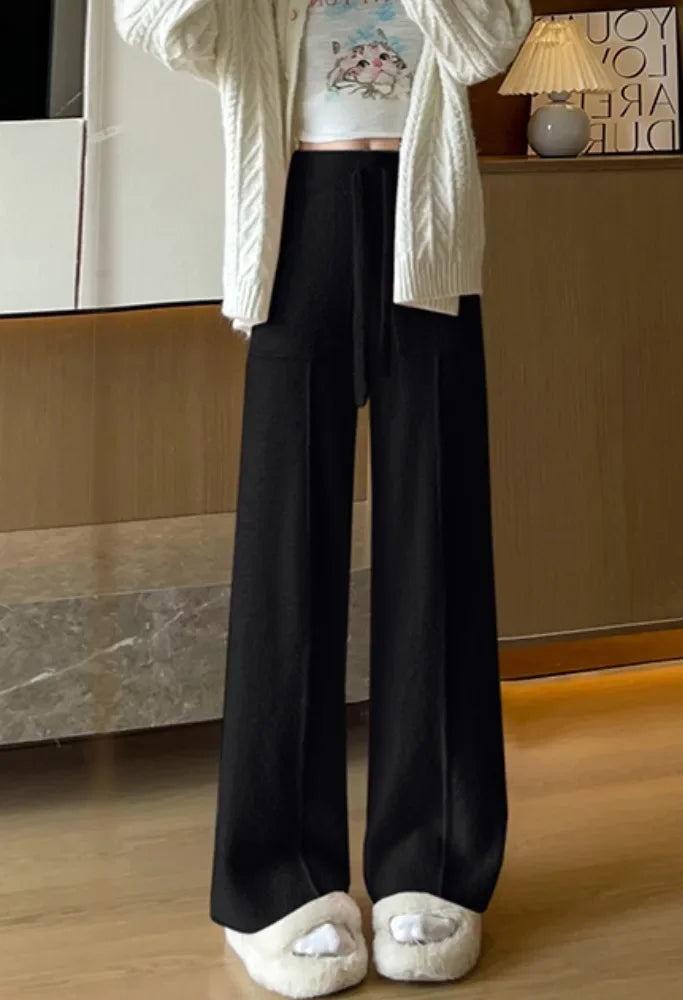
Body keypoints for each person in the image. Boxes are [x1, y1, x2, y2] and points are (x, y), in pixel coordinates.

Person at [114, 1, 532, 997]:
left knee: (437, 539)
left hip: (424, 217)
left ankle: (433, 864)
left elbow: (490, 37)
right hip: (298, 216)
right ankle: (276, 882)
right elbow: (155, 22)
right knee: (285, 550)